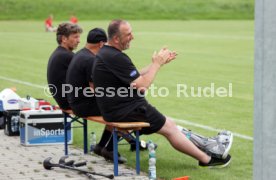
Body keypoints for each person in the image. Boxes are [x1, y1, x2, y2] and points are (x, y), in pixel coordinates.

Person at [93, 19, 232, 168]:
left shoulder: (107, 53)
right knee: (170, 129)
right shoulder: (116, 57)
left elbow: (134, 76)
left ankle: (207, 152)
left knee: (170, 124)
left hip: (119, 109)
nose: (132, 37)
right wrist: (156, 64)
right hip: (127, 110)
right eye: (128, 34)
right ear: (116, 38)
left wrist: (158, 63)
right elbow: (142, 86)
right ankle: (207, 160)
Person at [66, 28, 155, 164]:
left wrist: (154, 65)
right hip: (83, 106)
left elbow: (132, 75)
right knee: (125, 108)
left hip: (77, 103)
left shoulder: (82, 54)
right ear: (101, 44)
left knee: (120, 105)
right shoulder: (91, 60)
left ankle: (102, 146)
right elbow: (95, 89)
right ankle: (110, 148)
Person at [47, 22, 82, 110]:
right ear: (64, 39)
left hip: (65, 100)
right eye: (75, 37)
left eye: (79, 37)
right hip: (70, 103)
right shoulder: (66, 56)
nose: (79, 40)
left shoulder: (59, 53)